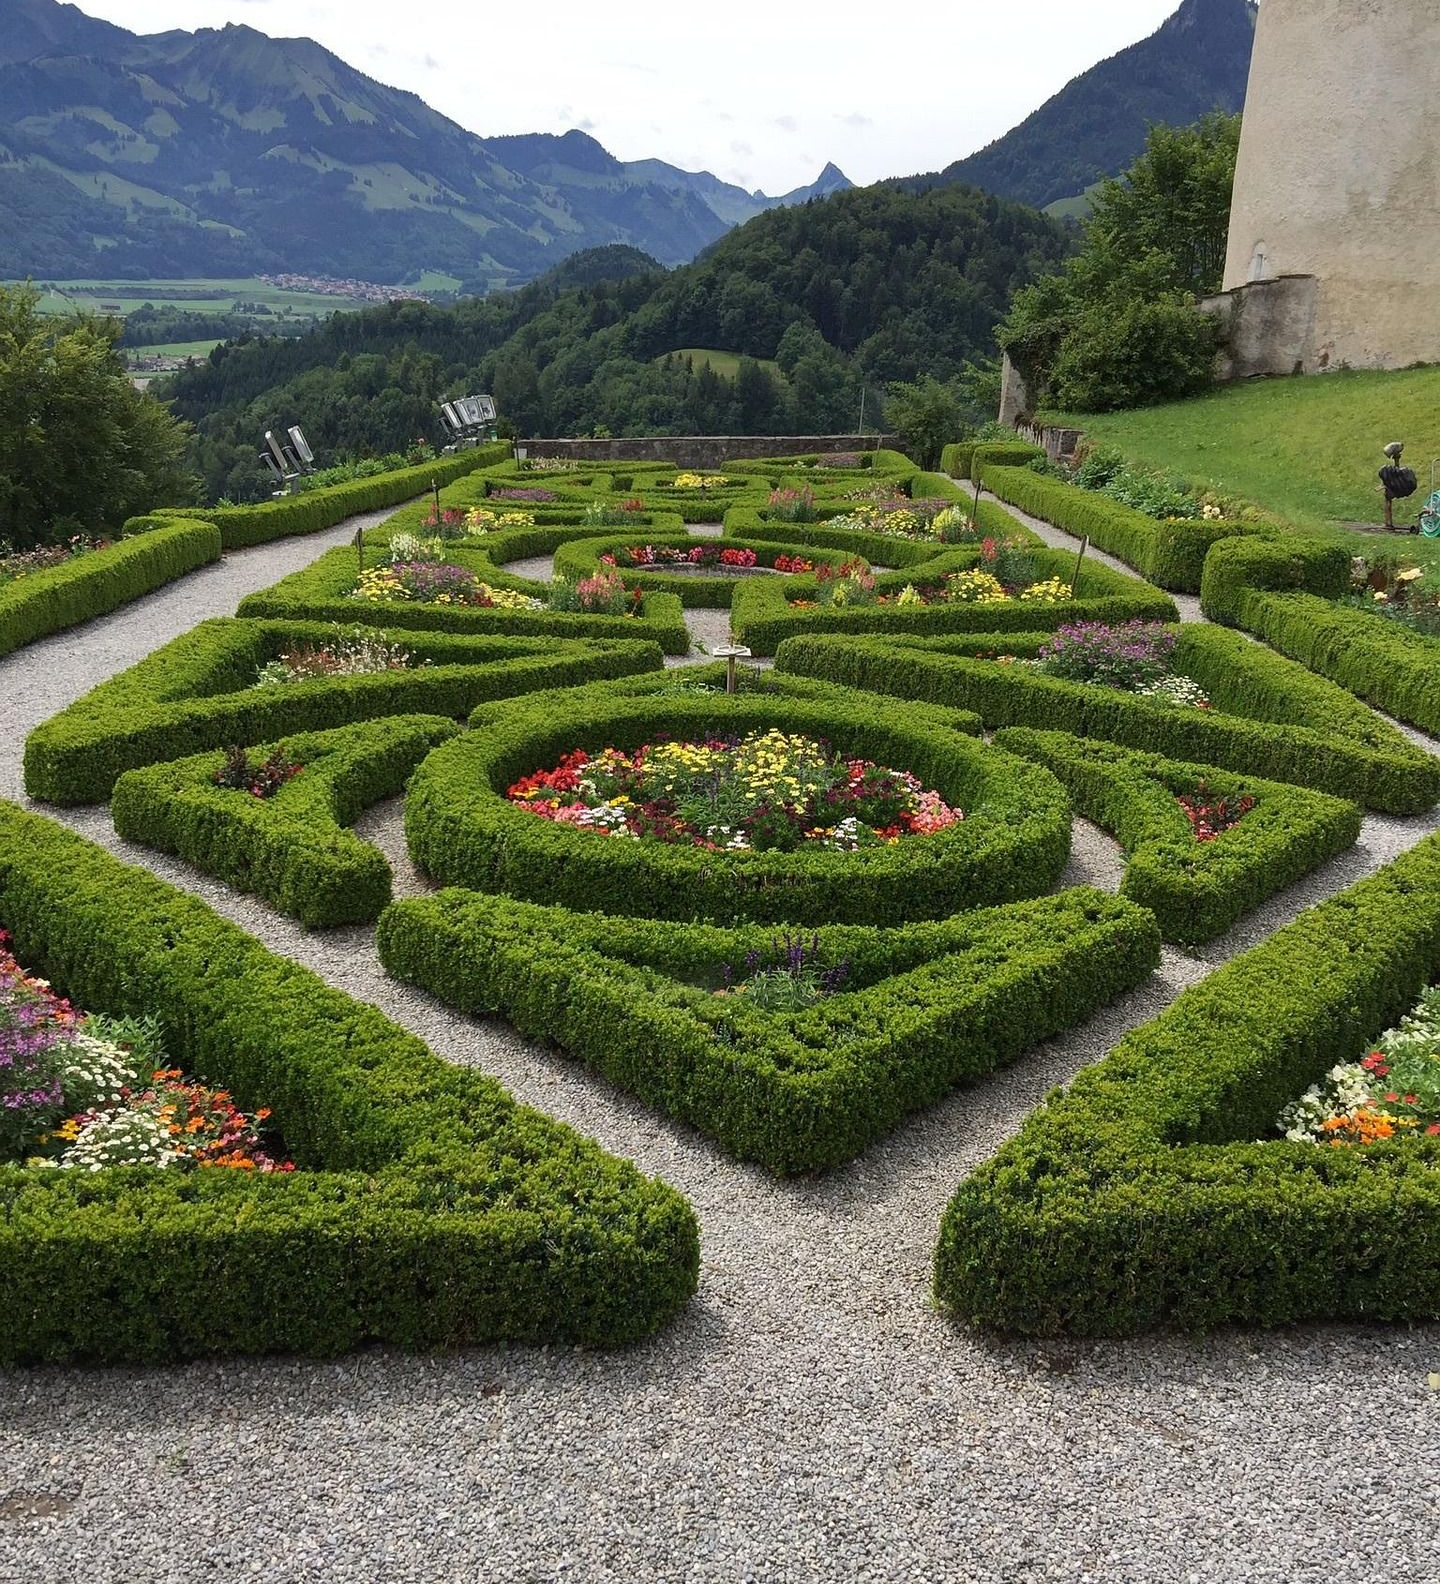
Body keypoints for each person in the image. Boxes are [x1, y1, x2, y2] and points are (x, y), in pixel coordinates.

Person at [1379, 441, 1419, 531]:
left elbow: (1396, 474)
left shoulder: (1393, 473)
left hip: (1399, 487)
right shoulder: (1398, 473)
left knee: (1387, 498)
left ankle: (1388, 524)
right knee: (1387, 497)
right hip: (1402, 487)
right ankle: (1388, 523)